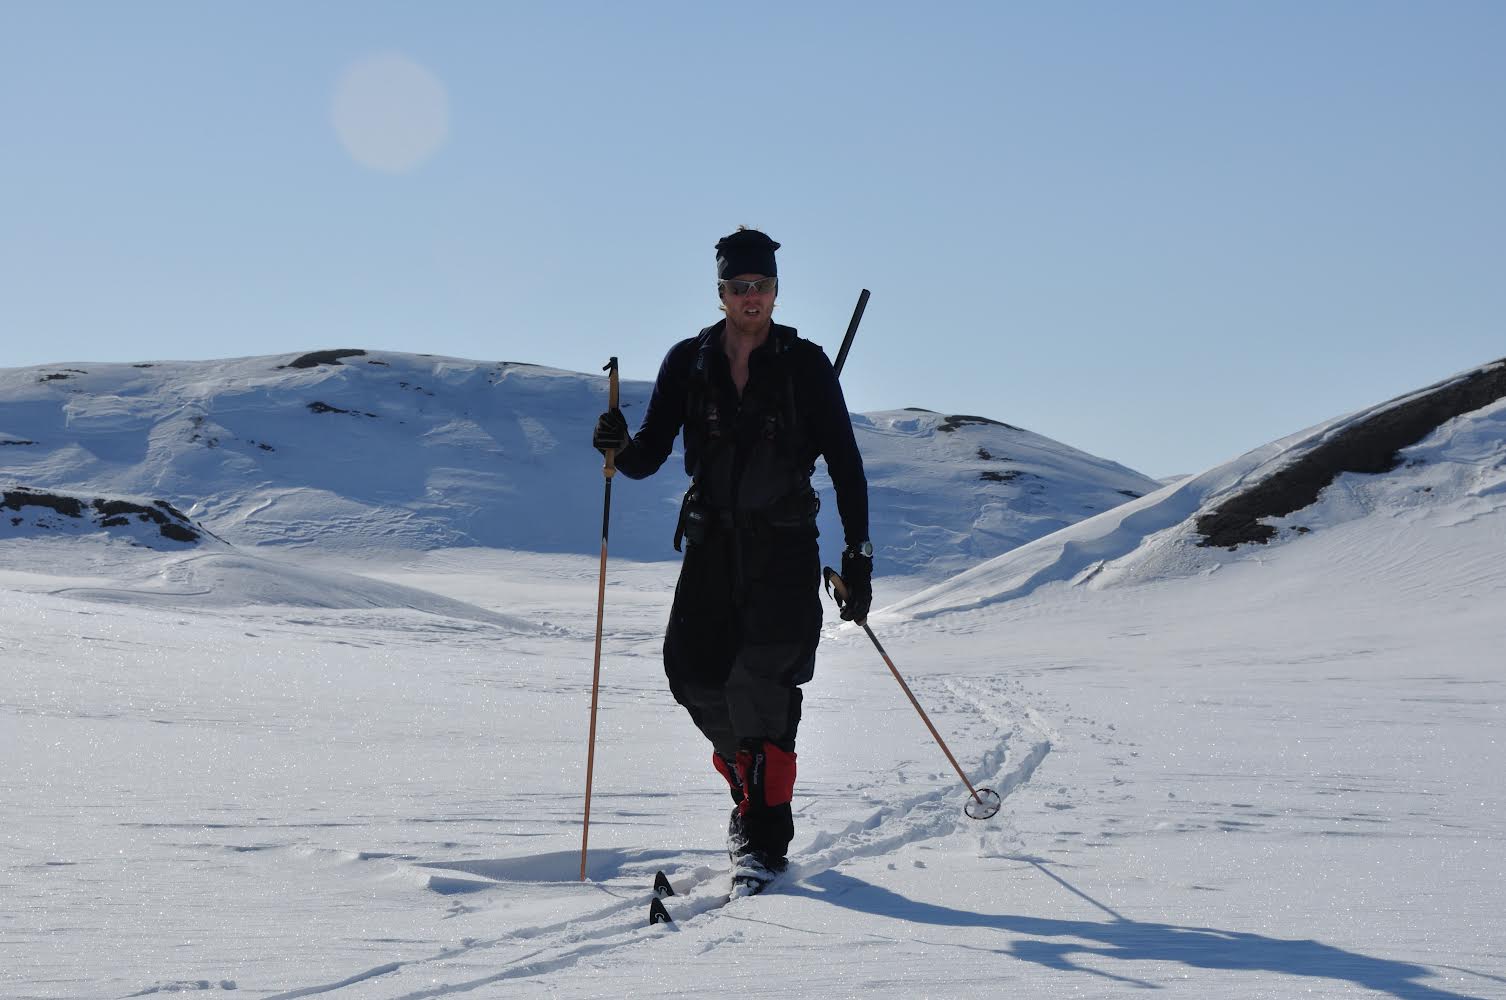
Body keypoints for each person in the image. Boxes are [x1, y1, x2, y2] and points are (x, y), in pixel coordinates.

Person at [592, 227, 873, 895]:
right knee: (691, 674)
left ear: (776, 291)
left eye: (762, 286)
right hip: (711, 544)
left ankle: (762, 839)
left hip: (782, 546)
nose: (752, 297)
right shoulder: (688, 363)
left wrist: (856, 556)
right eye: (739, 287)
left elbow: (847, 465)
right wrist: (616, 446)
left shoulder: (804, 367)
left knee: (761, 685)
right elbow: (648, 457)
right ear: (721, 293)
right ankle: (749, 782)